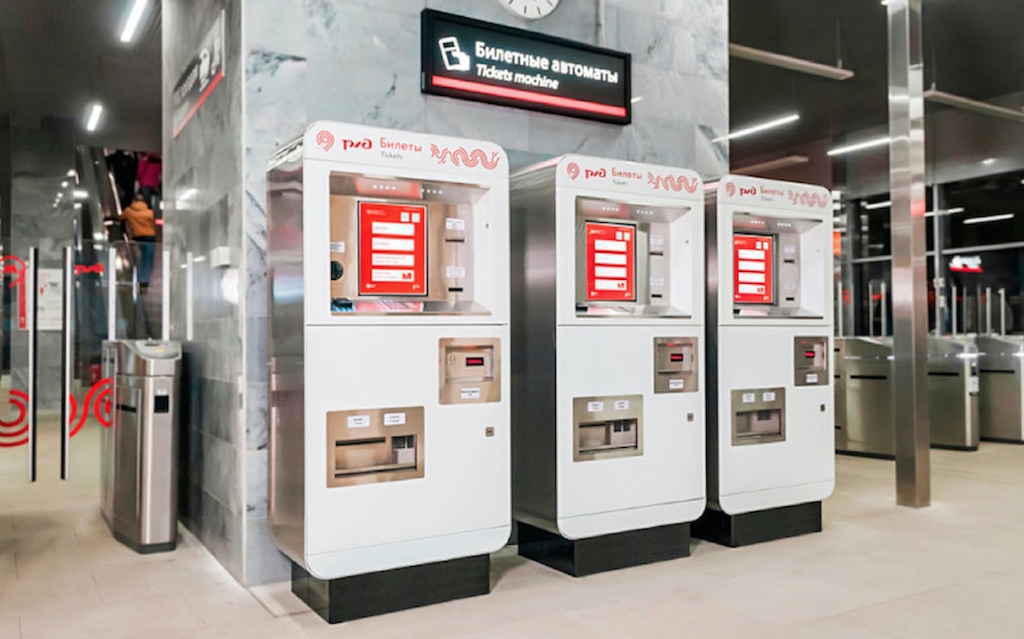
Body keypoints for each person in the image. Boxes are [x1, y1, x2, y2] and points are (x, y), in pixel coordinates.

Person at [121, 193, 157, 291]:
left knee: (139, 260)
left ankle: (139, 280)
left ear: (134, 201)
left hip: (138, 238)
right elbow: (154, 223)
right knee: (148, 260)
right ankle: (145, 282)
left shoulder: (128, 211)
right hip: (150, 238)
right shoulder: (150, 212)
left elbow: (120, 217)